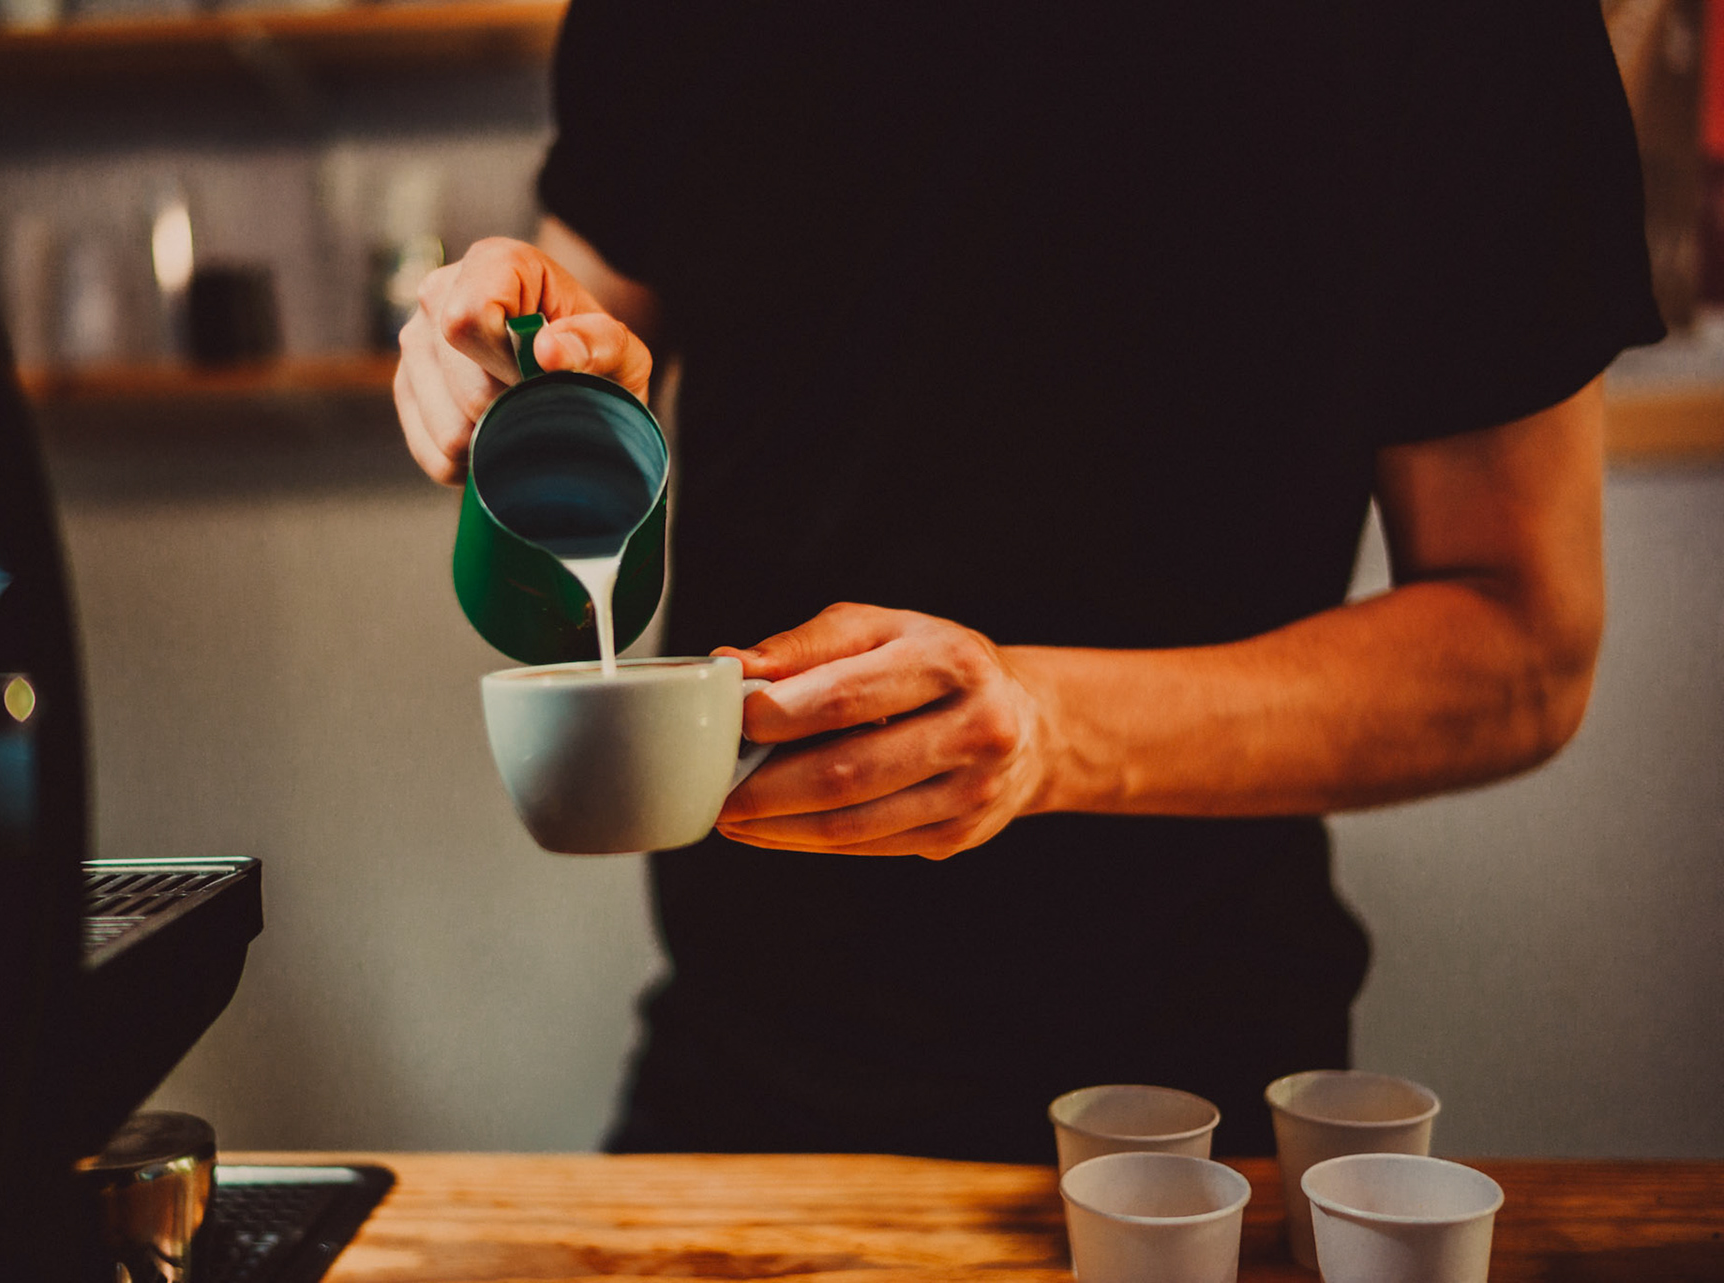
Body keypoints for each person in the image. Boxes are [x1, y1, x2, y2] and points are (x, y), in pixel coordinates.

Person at [394, 2, 1664, 1161]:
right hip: (736, 1081)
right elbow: (594, 321)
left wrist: (1050, 728)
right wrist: (504, 354)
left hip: (1180, 1119)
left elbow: (1524, 645)